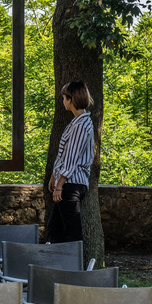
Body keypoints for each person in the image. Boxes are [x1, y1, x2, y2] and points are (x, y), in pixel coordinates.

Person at [47, 80, 96, 244]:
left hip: (71, 184)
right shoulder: (76, 123)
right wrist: (54, 176)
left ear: (71, 100)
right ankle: (59, 267)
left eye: (64, 98)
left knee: (72, 235)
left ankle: (74, 269)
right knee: (55, 231)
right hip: (67, 183)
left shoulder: (81, 125)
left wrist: (60, 184)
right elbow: (64, 154)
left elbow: (71, 158)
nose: (62, 101)